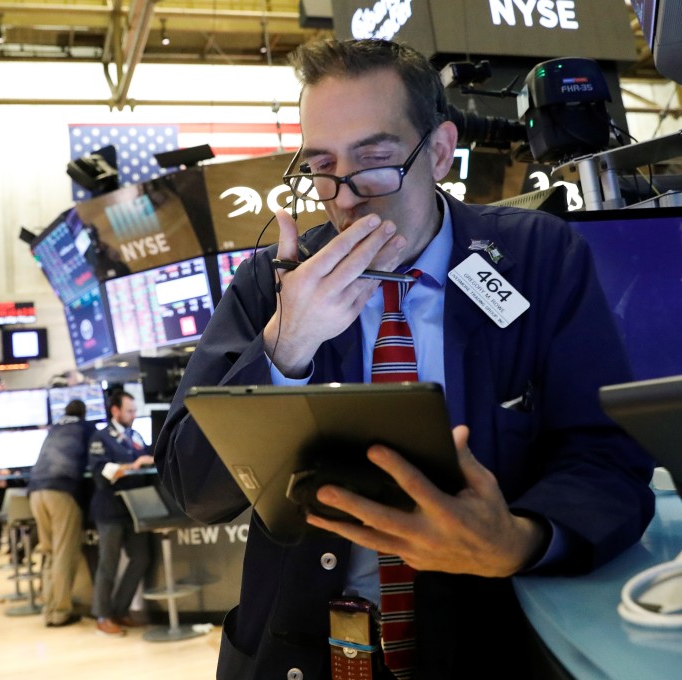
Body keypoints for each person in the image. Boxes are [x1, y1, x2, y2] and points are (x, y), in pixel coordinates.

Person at [154, 38, 656, 680]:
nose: (344, 196)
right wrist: (285, 346)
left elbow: (608, 457)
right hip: (302, 655)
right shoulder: (272, 284)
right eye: (322, 166)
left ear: (440, 152)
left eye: (375, 160)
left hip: (488, 647)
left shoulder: (538, 261)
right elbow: (190, 490)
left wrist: (521, 537)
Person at [88, 391, 154, 637]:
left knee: (141, 558)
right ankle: (102, 616)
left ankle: (120, 610)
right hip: (110, 509)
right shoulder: (101, 437)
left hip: (135, 509)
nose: (133, 415)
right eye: (129, 410)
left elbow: (145, 456)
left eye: (135, 411)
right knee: (109, 564)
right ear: (115, 411)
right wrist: (132, 466)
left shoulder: (135, 435)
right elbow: (102, 470)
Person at [28, 399, 95, 627]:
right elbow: (93, 460)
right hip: (61, 490)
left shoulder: (54, 429)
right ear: (84, 413)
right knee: (65, 552)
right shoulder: (86, 428)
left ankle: (48, 606)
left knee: (48, 551)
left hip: (35, 491)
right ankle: (60, 612)